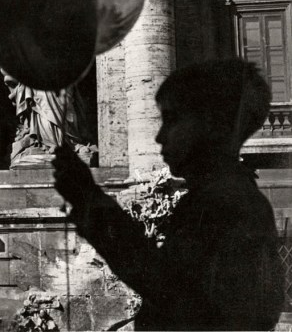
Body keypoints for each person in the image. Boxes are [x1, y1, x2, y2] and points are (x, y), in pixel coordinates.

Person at [52, 59, 284, 331]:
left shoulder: (223, 204)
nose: (159, 136)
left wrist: (91, 203)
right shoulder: (222, 198)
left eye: (172, 120)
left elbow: (169, 288)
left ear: (211, 125)